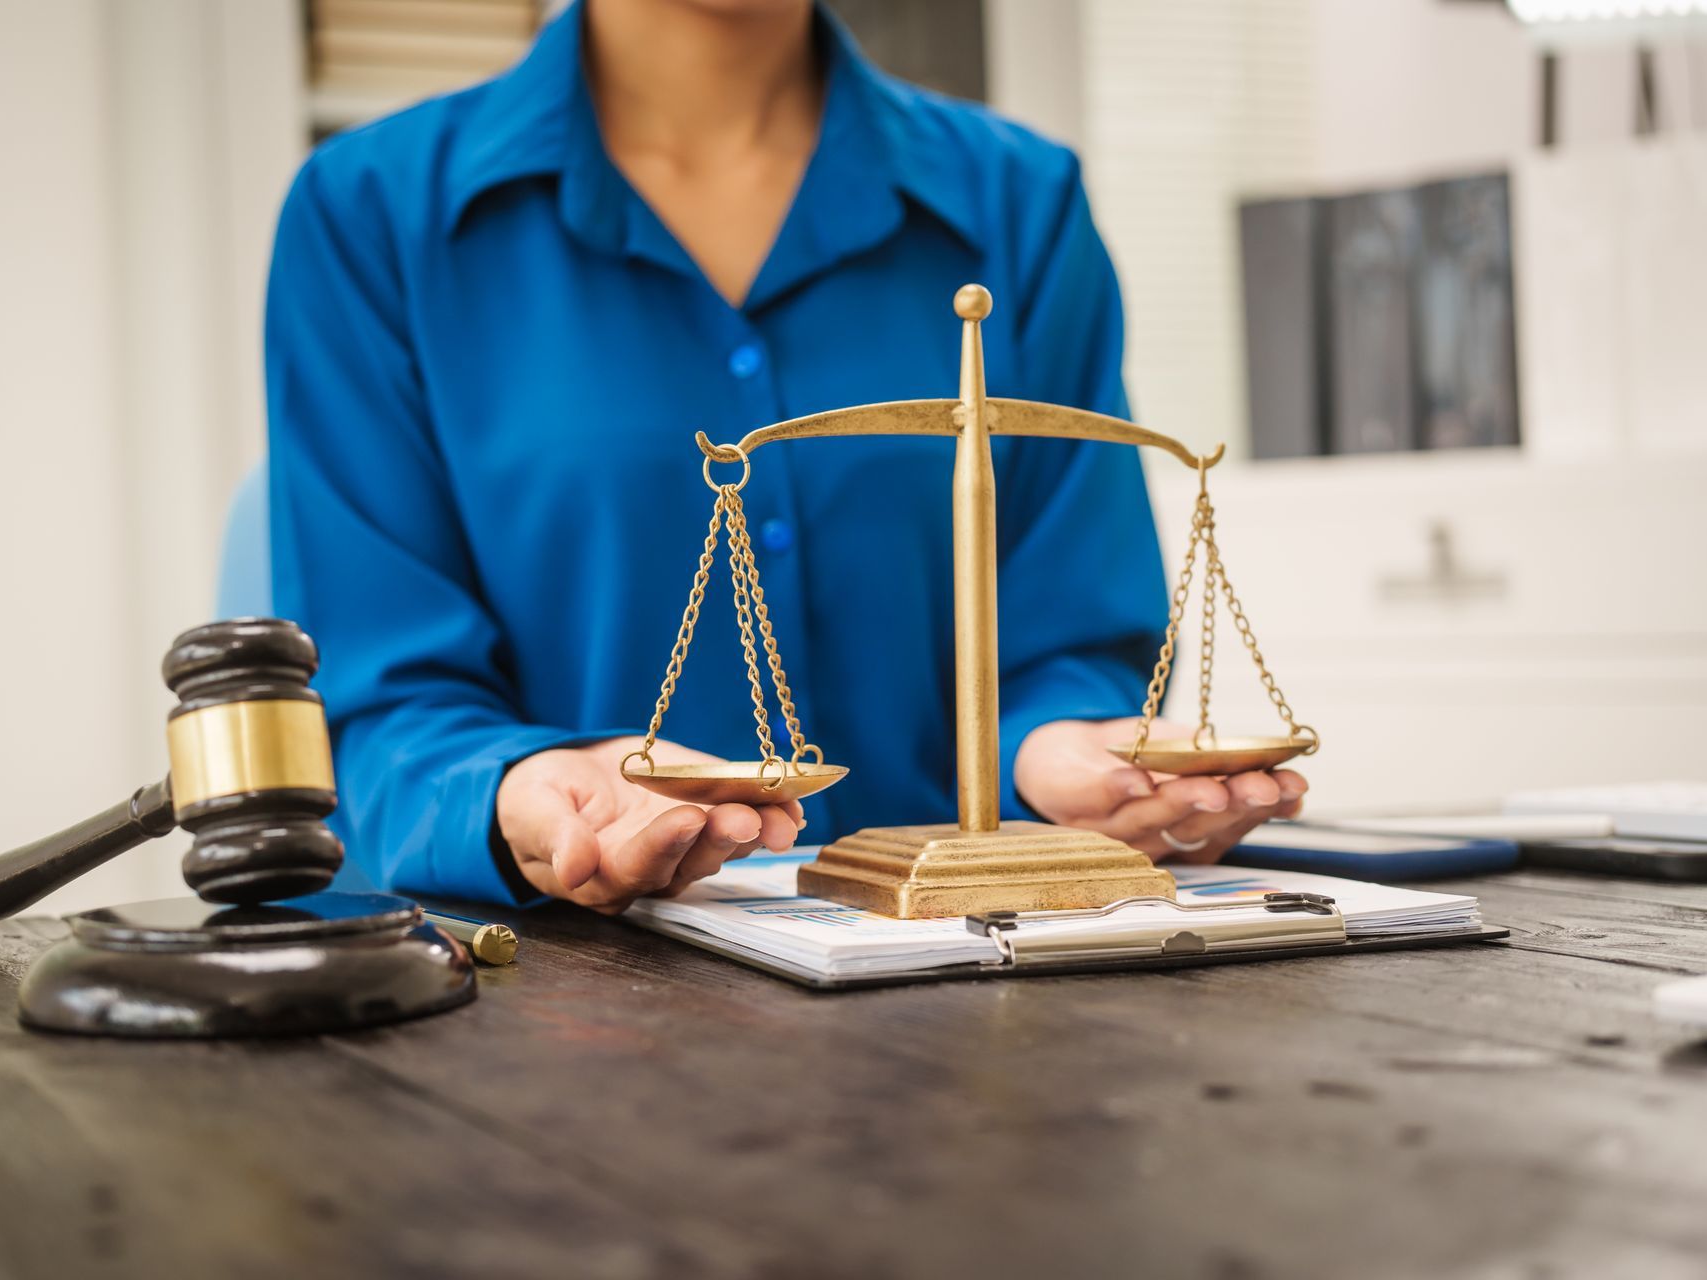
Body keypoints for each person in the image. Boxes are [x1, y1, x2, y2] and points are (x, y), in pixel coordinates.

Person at [266, 0, 1306, 914]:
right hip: (571, 996)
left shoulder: (1022, 202)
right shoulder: (372, 215)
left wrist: (1054, 754)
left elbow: (1071, 631)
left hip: (971, 977)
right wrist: (523, 786)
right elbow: (385, 705)